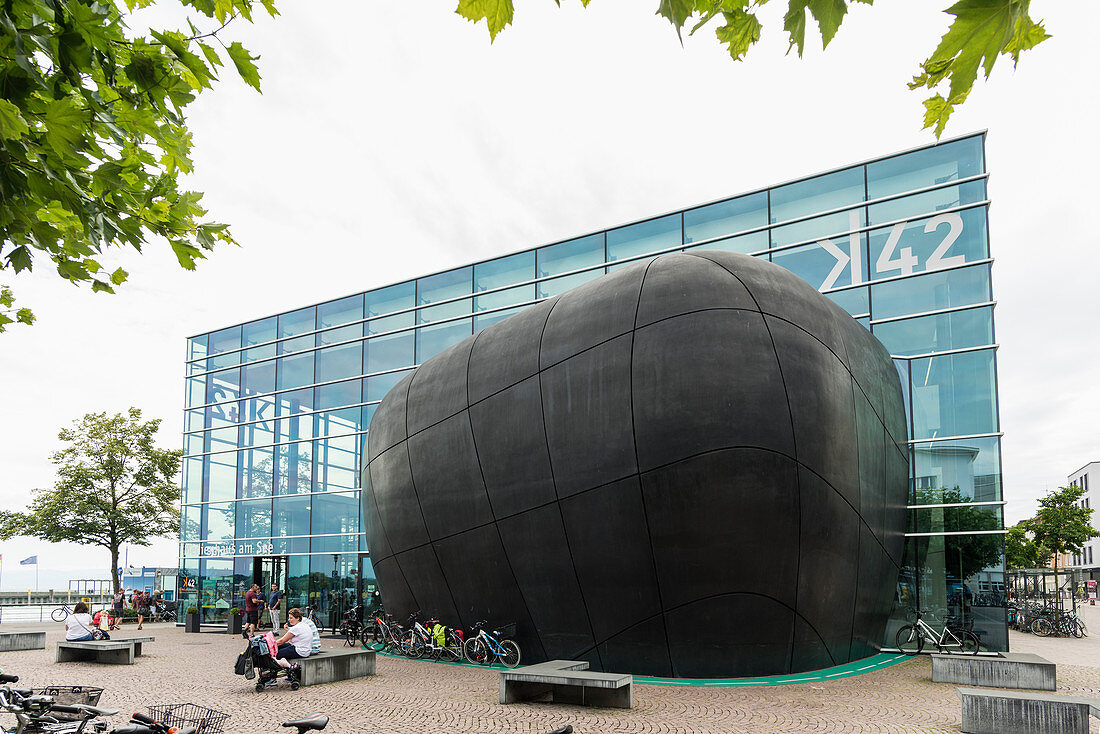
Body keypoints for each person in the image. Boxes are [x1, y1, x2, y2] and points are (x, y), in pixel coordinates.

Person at [271, 608, 312, 674]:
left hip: (299, 651)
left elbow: (281, 641)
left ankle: (273, 676)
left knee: (275, 654)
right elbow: (296, 632)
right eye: (289, 618)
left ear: (298, 618)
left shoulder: (296, 628)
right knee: (278, 647)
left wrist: (269, 645)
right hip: (305, 650)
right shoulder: (304, 625)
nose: (289, 620)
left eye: (291, 618)